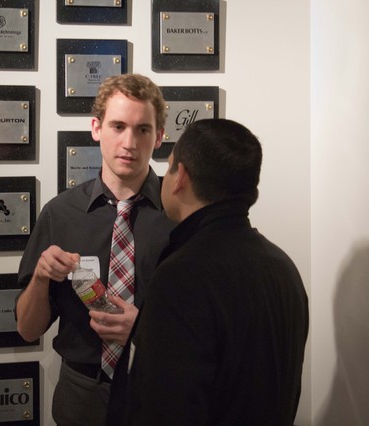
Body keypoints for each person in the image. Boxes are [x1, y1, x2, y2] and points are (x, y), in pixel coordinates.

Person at [116, 119, 309, 425]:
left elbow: (163, 408)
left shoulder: (181, 276)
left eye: (169, 167)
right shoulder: (283, 268)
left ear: (181, 178)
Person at [16, 74, 175, 425]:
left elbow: (206, 321)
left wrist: (144, 329)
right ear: (96, 128)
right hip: (82, 392)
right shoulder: (60, 214)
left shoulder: (181, 215)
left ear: (160, 137)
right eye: (118, 126)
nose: (129, 142)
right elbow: (27, 330)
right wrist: (41, 277)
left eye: (143, 129)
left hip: (160, 387)